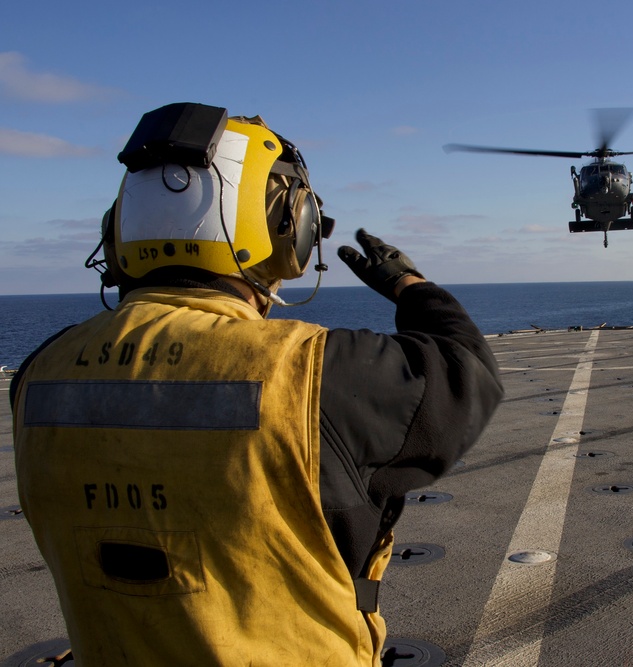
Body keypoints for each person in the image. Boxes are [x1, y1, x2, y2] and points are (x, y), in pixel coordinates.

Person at [10, 103, 503, 666]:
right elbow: (468, 374)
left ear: (117, 231)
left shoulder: (38, 373)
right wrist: (411, 285)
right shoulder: (313, 371)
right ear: (287, 228)